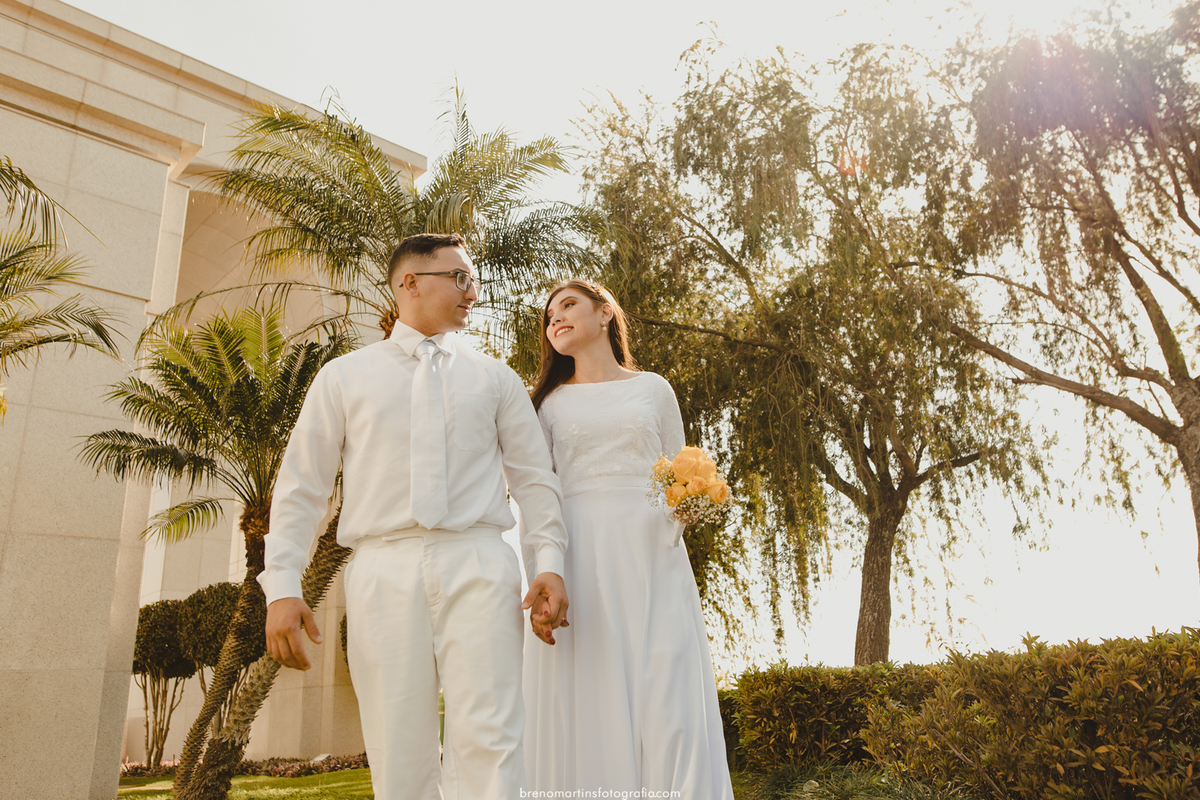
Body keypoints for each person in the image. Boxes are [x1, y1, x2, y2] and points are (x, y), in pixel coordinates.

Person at [259, 232, 570, 800]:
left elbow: (535, 480)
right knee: (397, 744)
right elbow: (301, 487)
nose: (473, 292)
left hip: (479, 560)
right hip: (382, 568)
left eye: (473, 279)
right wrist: (282, 585)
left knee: (494, 738)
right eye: (460, 278)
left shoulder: (495, 378)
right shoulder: (343, 377)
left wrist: (548, 562)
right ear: (410, 283)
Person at [522, 279, 735, 798]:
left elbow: (680, 470)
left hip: (653, 551)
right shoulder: (547, 406)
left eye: (568, 305)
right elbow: (537, 500)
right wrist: (542, 574)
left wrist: (695, 500)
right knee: (591, 684)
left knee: (669, 691)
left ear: (604, 314)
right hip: (581, 553)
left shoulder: (654, 389)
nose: (555, 319)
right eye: (549, 317)